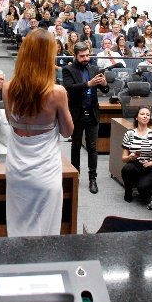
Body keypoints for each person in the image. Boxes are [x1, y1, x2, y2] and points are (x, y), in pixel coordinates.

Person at [4, 28, 74, 236]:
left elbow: (11, 121)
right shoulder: (57, 93)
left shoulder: (8, 88)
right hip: (45, 171)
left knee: (18, 226)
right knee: (46, 231)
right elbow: (67, 131)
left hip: (17, 170)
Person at [63, 41, 107, 194]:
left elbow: (105, 90)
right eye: (82, 56)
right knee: (75, 146)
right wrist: (88, 83)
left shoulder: (94, 68)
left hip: (92, 113)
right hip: (76, 114)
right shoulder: (68, 70)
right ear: (75, 55)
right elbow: (69, 89)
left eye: (88, 55)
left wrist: (105, 83)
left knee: (92, 148)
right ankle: (75, 176)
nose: (86, 58)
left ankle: (92, 179)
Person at [119, 107, 152, 203]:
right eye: (142, 114)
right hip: (135, 165)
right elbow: (123, 159)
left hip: (149, 166)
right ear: (136, 117)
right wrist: (130, 157)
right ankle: (128, 191)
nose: (145, 116)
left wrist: (151, 163)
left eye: (147, 115)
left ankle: (143, 185)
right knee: (127, 169)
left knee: (144, 193)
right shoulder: (129, 133)